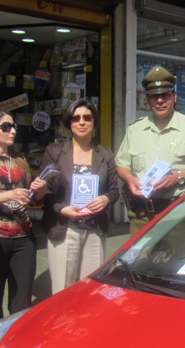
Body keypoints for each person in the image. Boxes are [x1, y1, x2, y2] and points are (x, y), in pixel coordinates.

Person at [116, 65, 185, 235]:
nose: (160, 100)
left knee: (175, 261)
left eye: (165, 95)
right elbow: (121, 165)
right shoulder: (134, 130)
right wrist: (129, 178)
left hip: (177, 214)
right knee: (137, 261)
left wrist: (178, 176)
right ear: (147, 99)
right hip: (141, 215)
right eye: (154, 96)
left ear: (174, 96)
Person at [0, 110, 47, 336]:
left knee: (21, 301)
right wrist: (6, 196)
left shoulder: (20, 161)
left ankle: (16, 344)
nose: (13, 131)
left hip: (24, 238)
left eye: (14, 126)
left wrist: (38, 191)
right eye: (6, 127)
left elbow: (29, 200)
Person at [40, 99, 119, 294]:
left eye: (87, 118)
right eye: (76, 118)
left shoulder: (105, 155)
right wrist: (62, 208)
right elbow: (44, 191)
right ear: (69, 123)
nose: (81, 122)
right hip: (64, 229)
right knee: (63, 291)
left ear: (94, 122)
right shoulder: (55, 152)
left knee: (90, 291)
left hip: (94, 230)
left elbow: (115, 190)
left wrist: (106, 199)